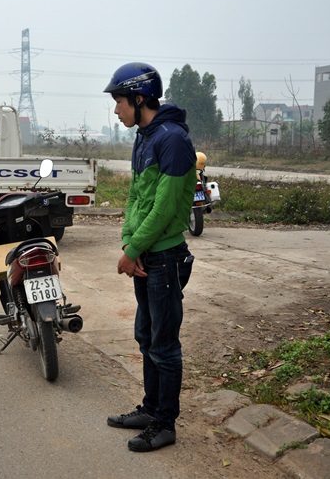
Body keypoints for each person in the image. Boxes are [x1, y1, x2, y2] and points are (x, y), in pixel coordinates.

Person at [103, 63, 197, 452]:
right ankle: (150, 408)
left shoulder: (172, 140)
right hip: (145, 256)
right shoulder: (145, 137)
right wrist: (129, 243)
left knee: (164, 344)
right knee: (145, 336)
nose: (116, 110)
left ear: (139, 100)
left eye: (119, 102)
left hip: (165, 259)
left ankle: (164, 423)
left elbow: (164, 208)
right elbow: (136, 198)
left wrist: (135, 249)